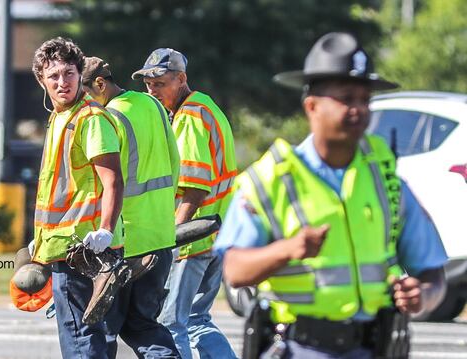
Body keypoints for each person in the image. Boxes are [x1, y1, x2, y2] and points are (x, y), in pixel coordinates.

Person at [214, 32, 448, 358]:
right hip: (299, 347)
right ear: (312, 106)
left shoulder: (385, 176)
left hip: (372, 347)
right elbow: (235, 270)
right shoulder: (271, 179)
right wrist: (289, 249)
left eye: (365, 100)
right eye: (347, 98)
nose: (359, 109)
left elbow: (433, 272)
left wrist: (424, 295)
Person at [132, 48, 238, 359]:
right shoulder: (205, 106)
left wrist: (171, 238)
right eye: (149, 84)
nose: (153, 90)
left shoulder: (190, 115)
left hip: (192, 237)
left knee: (171, 323)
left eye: (160, 83)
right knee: (196, 320)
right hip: (215, 233)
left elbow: (194, 187)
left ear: (181, 79)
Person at [30, 37, 128, 359]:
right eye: (54, 75)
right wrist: (41, 240)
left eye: (69, 73)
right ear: (41, 80)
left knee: (82, 340)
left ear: (79, 74)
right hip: (61, 246)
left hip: (84, 249)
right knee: (83, 337)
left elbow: (112, 181)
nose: (63, 82)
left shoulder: (90, 119)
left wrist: (106, 231)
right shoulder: (59, 119)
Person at [82, 56, 181, 358]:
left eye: (82, 94)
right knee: (143, 325)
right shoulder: (151, 104)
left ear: (99, 84)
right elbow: (175, 163)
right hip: (162, 236)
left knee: (105, 329)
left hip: (128, 241)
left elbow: (109, 183)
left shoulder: (106, 119)